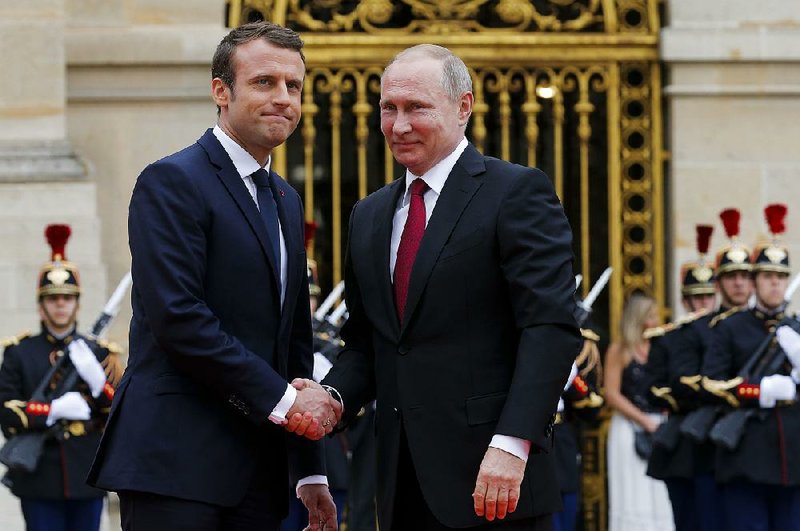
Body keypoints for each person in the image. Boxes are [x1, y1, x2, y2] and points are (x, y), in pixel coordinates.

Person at [289, 44, 582, 530]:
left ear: (463, 107)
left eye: (416, 108)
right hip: (400, 483)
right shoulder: (369, 215)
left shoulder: (516, 192)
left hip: (497, 480)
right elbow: (369, 343)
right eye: (389, 108)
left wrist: (514, 442)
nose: (398, 125)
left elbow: (550, 327)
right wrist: (333, 396)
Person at [87, 22, 339, 531]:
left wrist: (309, 472)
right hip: (176, 463)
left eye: (294, 85)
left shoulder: (286, 201)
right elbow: (179, 318)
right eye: (265, 82)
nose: (284, 98)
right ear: (221, 92)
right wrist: (289, 403)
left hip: (258, 470)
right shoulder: (172, 181)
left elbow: (293, 341)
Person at [0, 224, 122, 531]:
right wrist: (52, 411)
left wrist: (99, 383)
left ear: (78, 304)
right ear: (41, 307)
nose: (60, 304)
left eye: (67, 298)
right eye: (53, 298)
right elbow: (7, 410)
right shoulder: (19, 352)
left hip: (87, 474)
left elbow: (119, 411)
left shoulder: (100, 354)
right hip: (40, 476)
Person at [701, 204, 800, 530]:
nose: (776, 284)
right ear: (756, 282)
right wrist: (761, 391)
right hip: (747, 456)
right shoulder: (731, 327)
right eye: (768, 277)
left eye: (781, 277)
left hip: (793, 460)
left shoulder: (796, 330)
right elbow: (712, 384)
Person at [645, 224, 727, 531]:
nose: (704, 303)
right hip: (683, 439)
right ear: (685, 301)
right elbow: (652, 388)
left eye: (708, 296)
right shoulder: (669, 338)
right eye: (697, 297)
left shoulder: (725, 332)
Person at [604, 293, 673, 531]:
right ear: (639, 318)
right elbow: (611, 394)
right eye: (651, 316)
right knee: (633, 491)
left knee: (660, 492)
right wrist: (643, 420)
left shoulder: (661, 347)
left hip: (660, 425)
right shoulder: (620, 349)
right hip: (629, 426)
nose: (655, 320)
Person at [552, 329, 605, 531]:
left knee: (568, 498)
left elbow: (591, 403)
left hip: (561, 432)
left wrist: (572, 379)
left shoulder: (574, 341)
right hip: (531, 432)